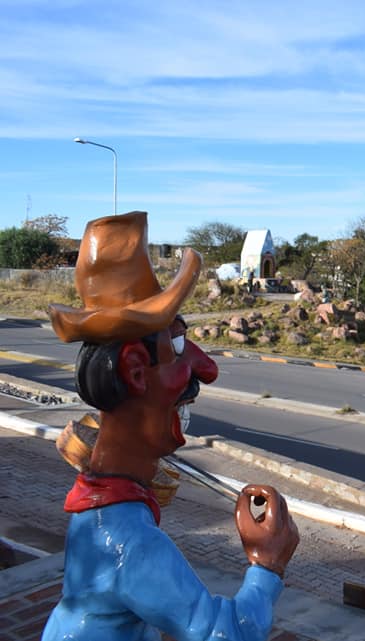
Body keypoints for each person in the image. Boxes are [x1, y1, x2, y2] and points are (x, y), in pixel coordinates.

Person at [43, 212, 300, 641]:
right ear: (136, 371)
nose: (207, 368)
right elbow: (226, 634)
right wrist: (267, 563)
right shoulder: (132, 545)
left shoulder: (100, 505)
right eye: (177, 345)